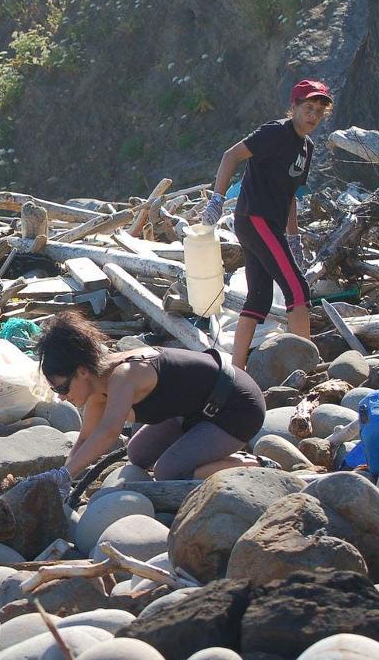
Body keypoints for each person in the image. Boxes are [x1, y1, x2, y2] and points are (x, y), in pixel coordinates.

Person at [23, 312, 266, 496]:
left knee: (168, 473)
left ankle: (254, 464)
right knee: (138, 454)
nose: (62, 397)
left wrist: (62, 475)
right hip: (193, 411)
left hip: (236, 407)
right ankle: (207, 452)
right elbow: (87, 438)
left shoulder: (124, 374)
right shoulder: (97, 389)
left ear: (82, 371)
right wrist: (63, 482)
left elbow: (109, 432)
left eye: (62, 388)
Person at [202, 79, 333, 368]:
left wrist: (294, 237)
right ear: (294, 107)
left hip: (268, 223)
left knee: (259, 299)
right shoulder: (276, 132)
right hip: (254, 217)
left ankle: (236, 369)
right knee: (298, 290)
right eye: (308, 108)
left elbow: (291, 196)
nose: (313, 115)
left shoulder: (306, 147)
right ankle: (307, 366)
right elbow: (231, 155)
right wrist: (217, 199)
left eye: (319, 111)